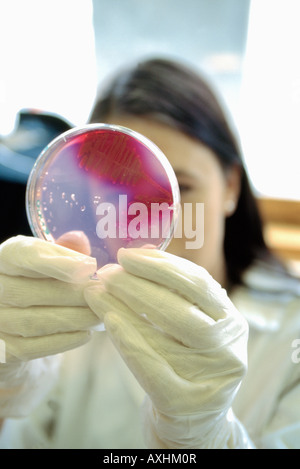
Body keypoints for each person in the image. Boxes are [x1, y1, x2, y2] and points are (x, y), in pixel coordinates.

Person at [0, 58, 300, 449]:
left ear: (230, 186)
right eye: (119, 194)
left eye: (182, 189)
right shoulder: (62, 318)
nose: (149, 226)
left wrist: (207, 434)